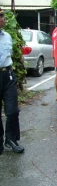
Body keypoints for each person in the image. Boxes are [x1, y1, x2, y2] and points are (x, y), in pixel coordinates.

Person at [0, 8, 24, 153]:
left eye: (2, 15)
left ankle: (11, 139)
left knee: (12, 110)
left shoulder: (7, 36)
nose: (3, 18)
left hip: (8, 74)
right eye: (0, 16)